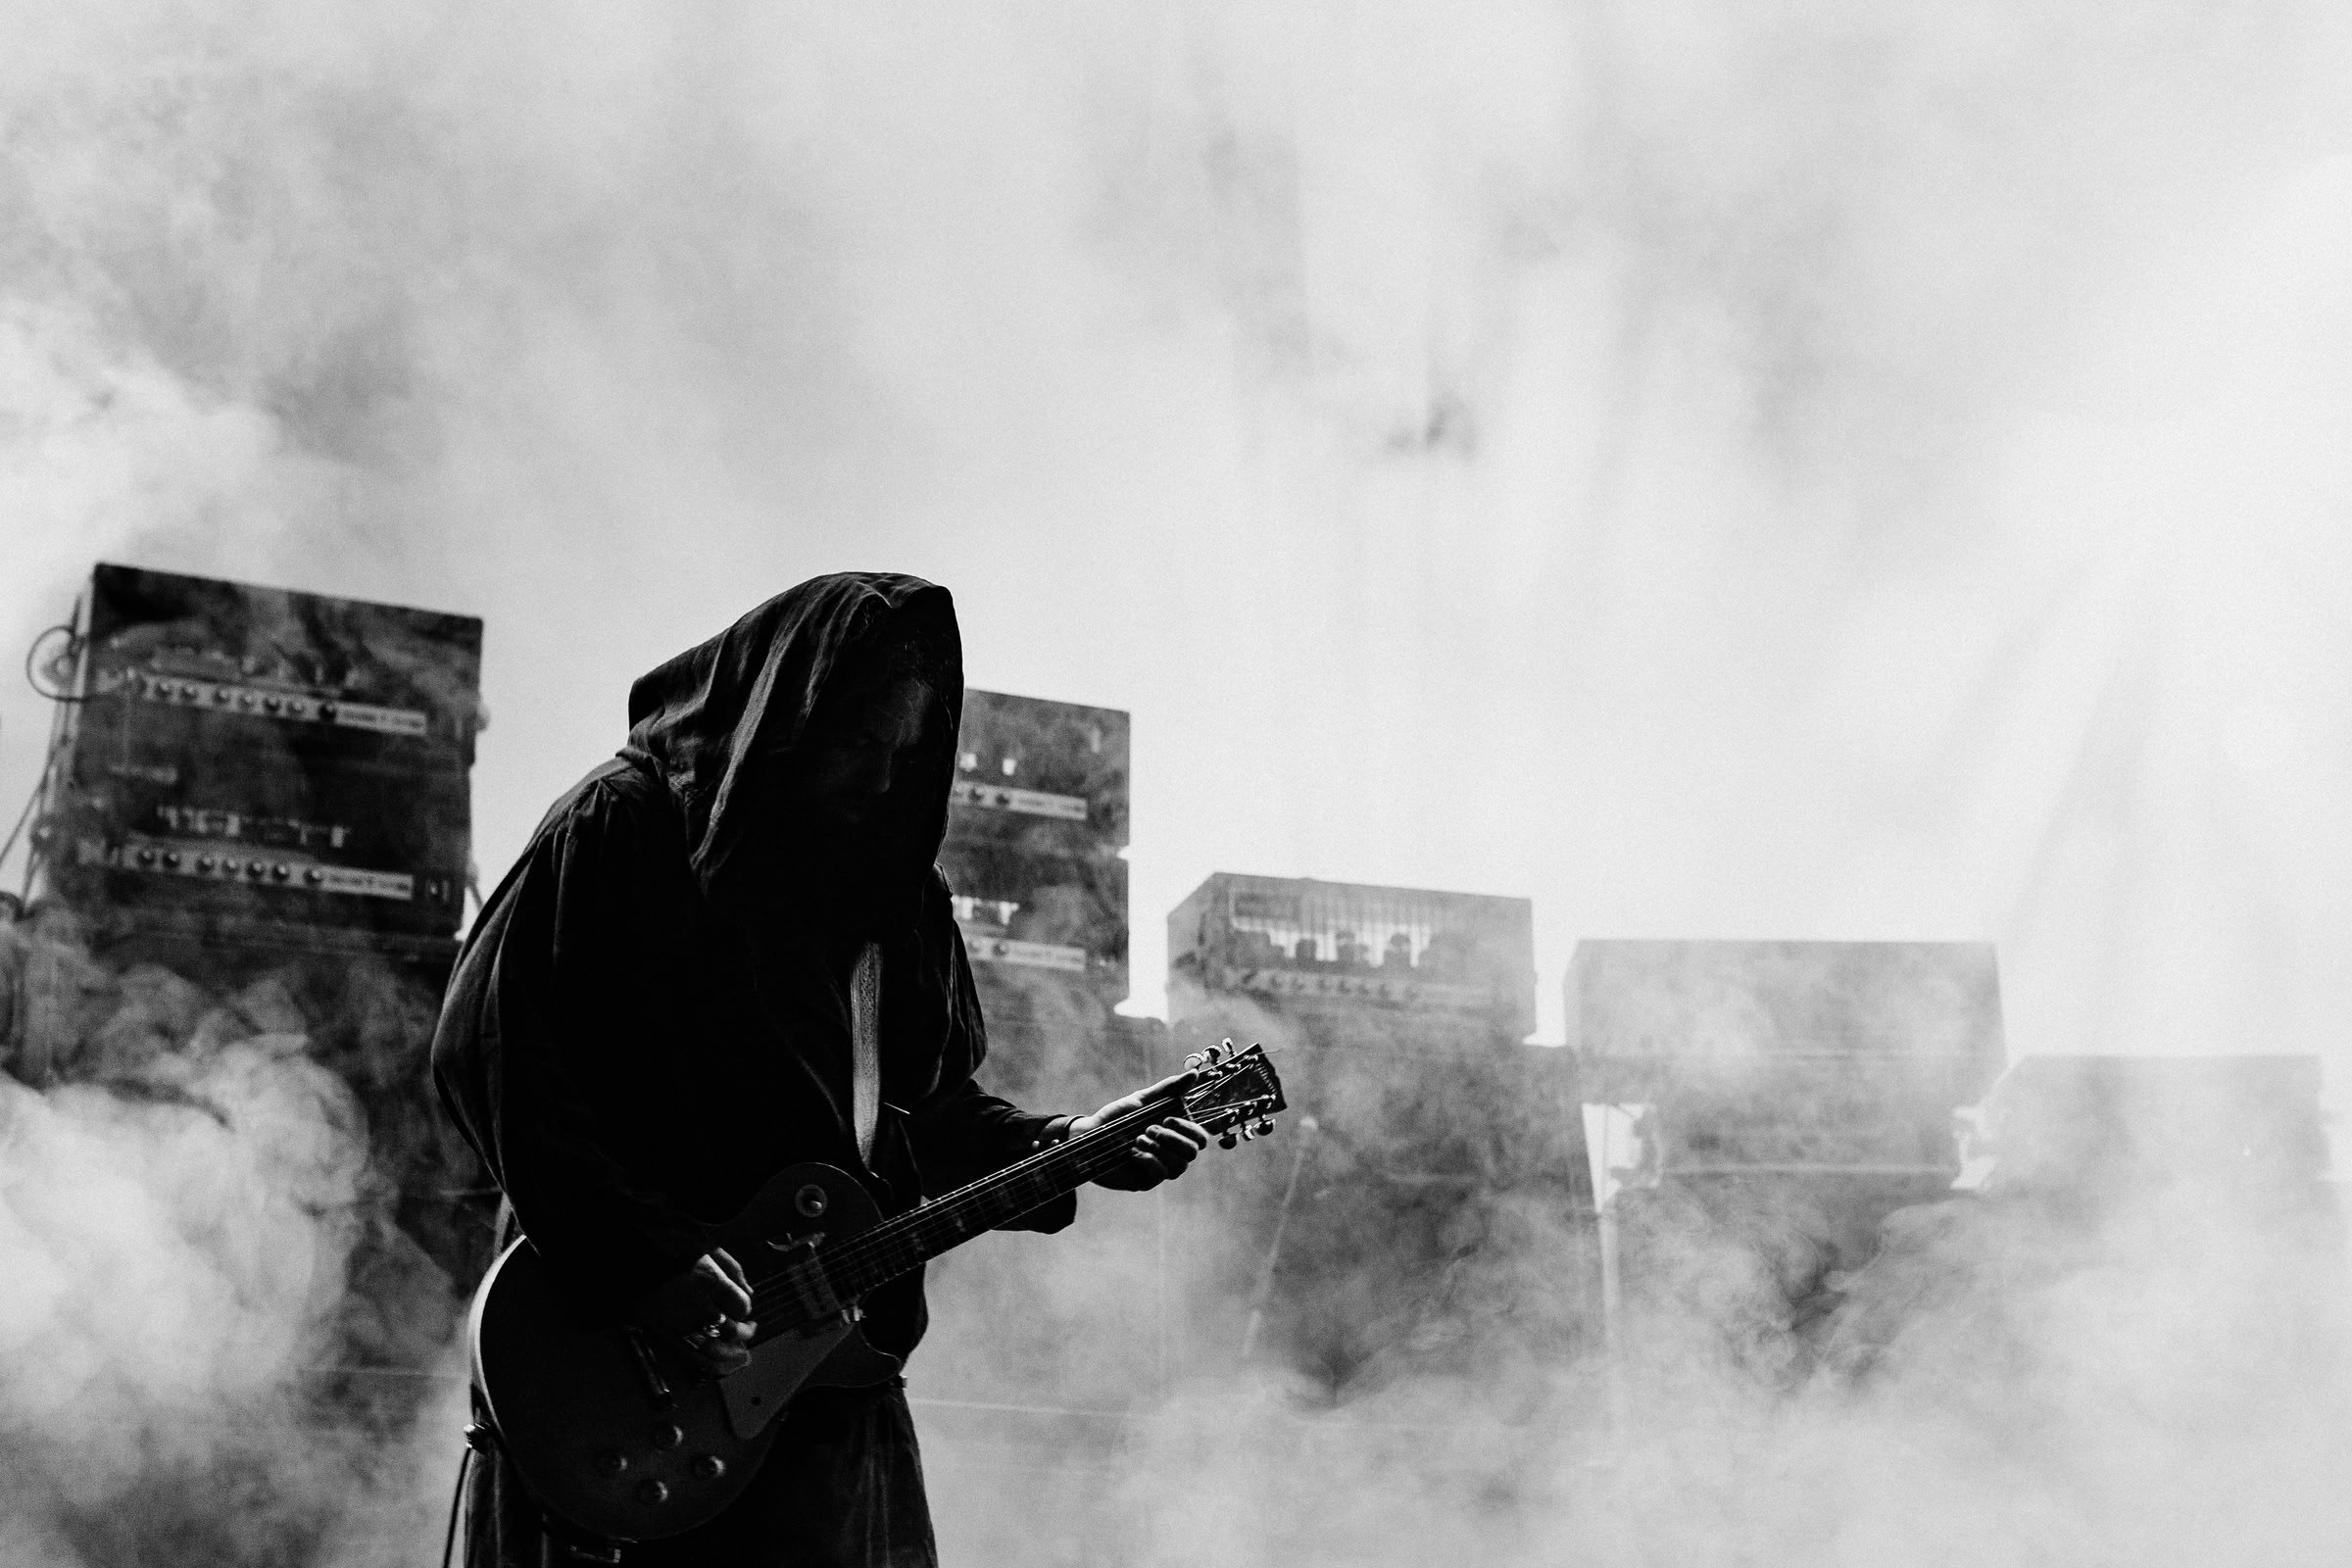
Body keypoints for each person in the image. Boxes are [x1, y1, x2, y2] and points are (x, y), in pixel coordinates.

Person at [432, 572, 1206, 1566]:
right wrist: (649, 1259)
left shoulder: (894, 898)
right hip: (618, 1377)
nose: (878, 780)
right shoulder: (621, 829)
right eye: (851, 744)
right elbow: (493, 1053)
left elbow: (928, 1116)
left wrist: (1067, 1149)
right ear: (777, 720)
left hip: (826, 1400)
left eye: (900, 751)